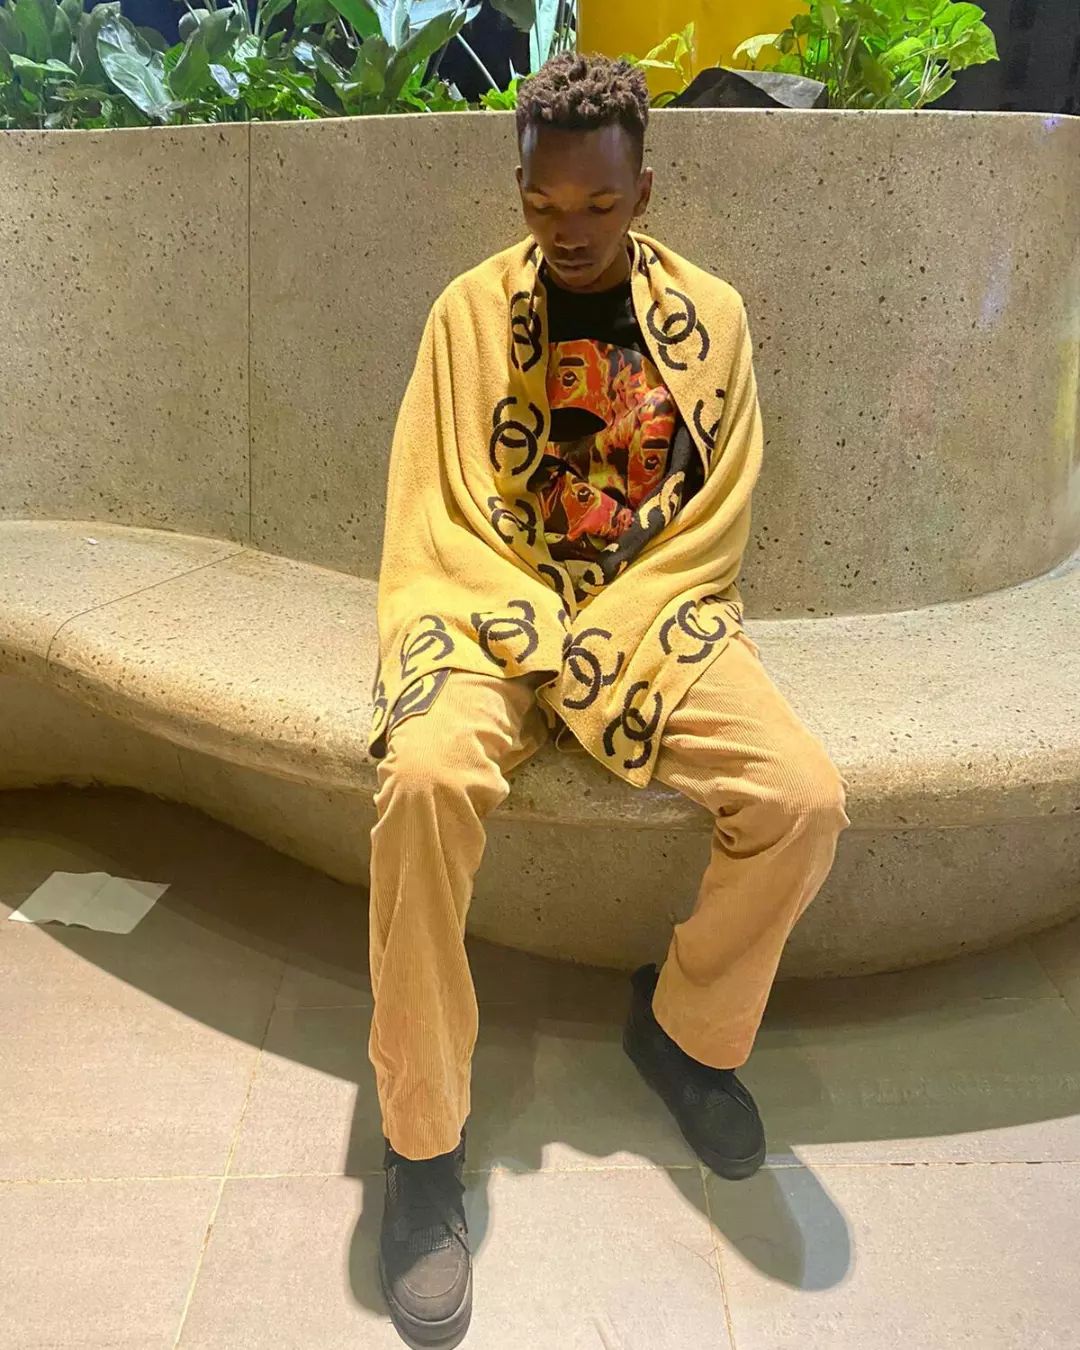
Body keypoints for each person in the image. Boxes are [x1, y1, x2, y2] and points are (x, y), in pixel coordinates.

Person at [367, 52, 849, 1349]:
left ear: (644, 189)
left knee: (801, 799)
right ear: (519, 185)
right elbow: (435, 512)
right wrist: (539, 633)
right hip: (488, 609)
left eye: (596, 203)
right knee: (424, 781)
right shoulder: (467, 316)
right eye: (543, 202)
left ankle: (685, 1032)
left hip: (654, 618)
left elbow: (713, 524)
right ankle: (422, 1146)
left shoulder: (714, 319)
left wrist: (609, 636)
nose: (568, 229)